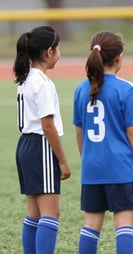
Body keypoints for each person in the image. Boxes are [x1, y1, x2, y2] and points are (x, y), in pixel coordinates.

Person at [73, 31, 133, 254]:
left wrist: (87, 158)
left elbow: (79, 132)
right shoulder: (126, 88)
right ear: (119, 57)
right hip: (120, 167)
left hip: (92, 167)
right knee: (124, 222)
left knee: (91, 225)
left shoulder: (80, 88)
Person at [13, 26, 72, 254]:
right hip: (40, 147)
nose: (60, 52)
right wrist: (63, 161)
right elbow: (47, 125)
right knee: (50, 214)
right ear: (49, 52)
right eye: (59, 48)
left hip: (25, 146)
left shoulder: (26, 78)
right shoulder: (43, 83)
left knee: (34, 214)